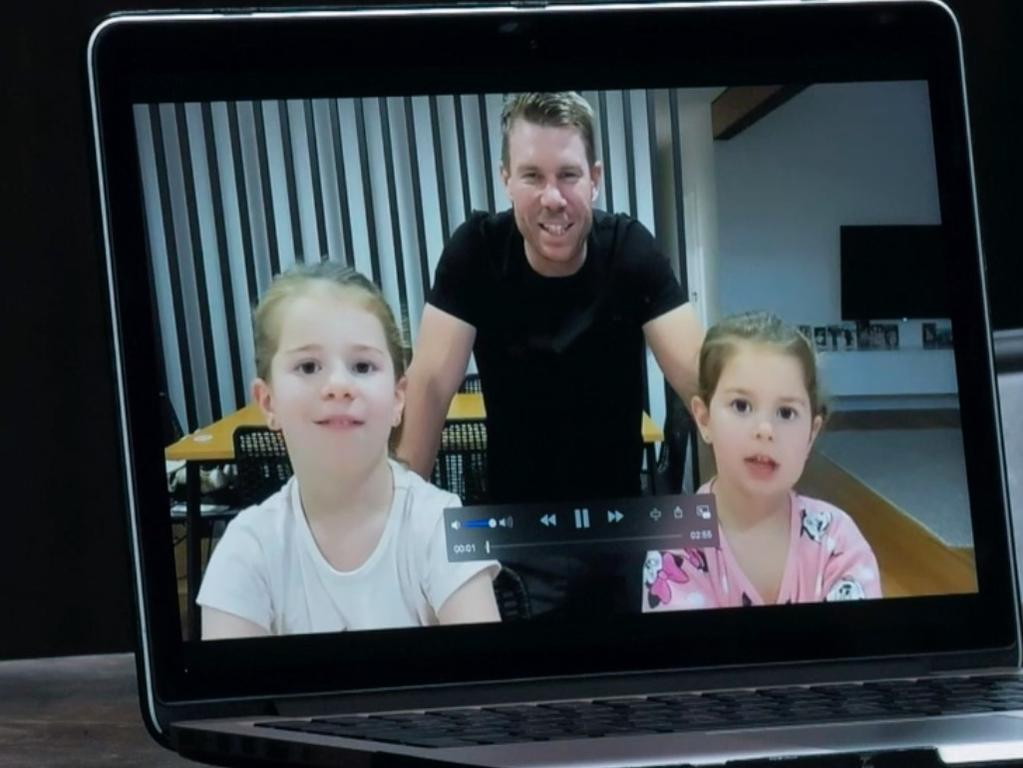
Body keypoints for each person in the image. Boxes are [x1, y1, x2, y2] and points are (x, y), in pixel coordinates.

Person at [398, 91, 703, 616]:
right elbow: (427, 390)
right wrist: (399, 533)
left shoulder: (629, 249)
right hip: (514, 533)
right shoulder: (476, 251)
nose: (553, 198)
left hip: (619, 528)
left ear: (595, 178)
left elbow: (705, 385)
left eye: (568, 175)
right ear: (505, 179)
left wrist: (735, 516)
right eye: (532, 177)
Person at [197, 263, 500, 639]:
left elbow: (481, 685)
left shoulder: (439, 524)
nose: (339, 385)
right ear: (268, 401)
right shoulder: (247, 550)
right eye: (308, 366)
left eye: (362, 365)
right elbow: (235, 697)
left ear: (397, 397)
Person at [643, 311, 881, 611]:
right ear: (704, 419)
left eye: (785, 413)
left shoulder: (837, 540)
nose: (765, 430)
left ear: (811, 433)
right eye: (741, 406)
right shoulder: (677, 546)